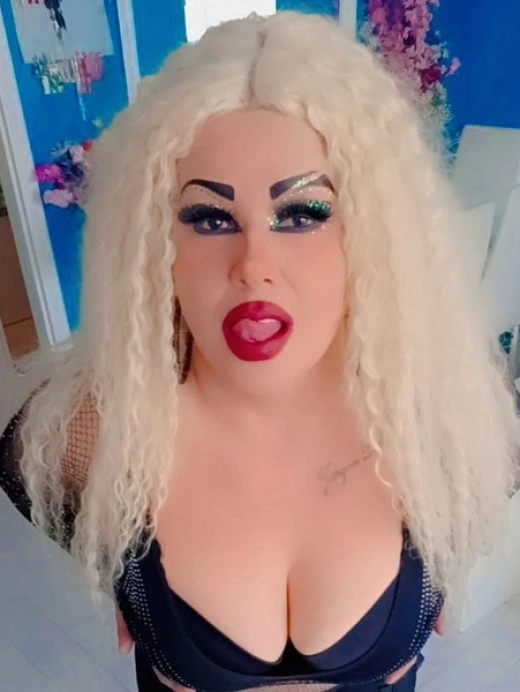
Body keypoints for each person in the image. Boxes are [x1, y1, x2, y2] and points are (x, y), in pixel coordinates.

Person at [1, 11, 519, 692]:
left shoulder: (446, 426)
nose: (253, 265)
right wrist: (125, 574)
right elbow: (30, 473)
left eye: (302, 214)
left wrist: (432, 578)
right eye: (210, 218)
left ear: (370, 231)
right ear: (156, 243)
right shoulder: (90, 434)